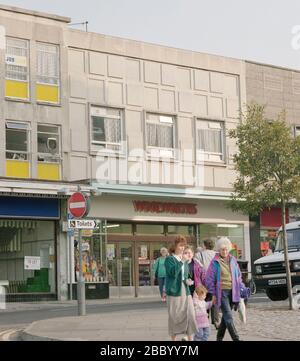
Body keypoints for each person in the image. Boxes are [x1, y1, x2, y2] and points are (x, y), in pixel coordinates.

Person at [205, 237, 245, 341]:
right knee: (229, 316)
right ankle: (236, 339)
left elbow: (238, 276)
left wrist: (241, 287)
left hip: (233, 292)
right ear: (219, 249)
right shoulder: (214, 262)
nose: (225, 251)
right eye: (222, 249)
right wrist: (213, 293)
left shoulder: (233, 260)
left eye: (226, 249)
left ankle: (219, 338)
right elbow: (209, 280)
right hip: (221, 292)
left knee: (225, 318)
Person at [165, 235, 198, 341]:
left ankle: (190, 339)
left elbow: (184, 275)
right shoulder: (169, 259)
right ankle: (173, 339)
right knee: (175, 316)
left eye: (184, 246)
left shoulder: (184, 259)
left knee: (190, 314)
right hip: (175, 291)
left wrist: (188, 280)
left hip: (186, 289)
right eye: (180, 245)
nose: (182, 248)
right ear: (175, 246)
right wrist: (182, 261)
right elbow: (173, 273)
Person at [195, 238, 220, 329]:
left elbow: (197, 269)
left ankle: (204, 321)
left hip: (203, 281)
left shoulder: (199, 255)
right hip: (214, 281)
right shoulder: (217, 255)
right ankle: (216, 321)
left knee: (203, 300)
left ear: (204, 245)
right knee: (214, 301)